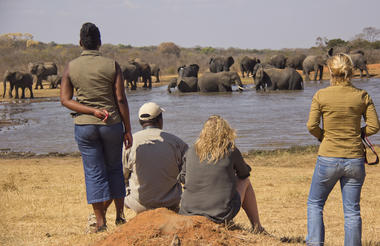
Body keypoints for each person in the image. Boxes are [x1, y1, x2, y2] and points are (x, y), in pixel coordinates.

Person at [60, 22, 133, 233]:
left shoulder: (71, 67)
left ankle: (101, 222)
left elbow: (65, 100)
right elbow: (120, 99)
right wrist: (127, 129)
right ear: (100, 42)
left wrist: (90, 111)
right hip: (111, 125)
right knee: (115, 169)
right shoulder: (112, 65)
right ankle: (120, 216)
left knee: (94, 172)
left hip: (84, 127)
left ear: (80, 42)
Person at [306, 53, 379, 245]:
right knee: (352, 211)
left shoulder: (321, 95)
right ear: (351, 71)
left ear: (330, 71)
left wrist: (324, 136)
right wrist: (358, 133)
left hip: (328, 157)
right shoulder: (362, 96)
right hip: (355, 159)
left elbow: (311, 126)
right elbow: (374, 126)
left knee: (315, 204)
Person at [178, 115, 265, 233]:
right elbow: (244, 174)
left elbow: (183, 178)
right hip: (220, 215)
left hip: (187, 212)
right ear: (226, 132)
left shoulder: (191, 150)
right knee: (245, 182)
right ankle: (257, 227)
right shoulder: (230, 150)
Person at [123, 102, 188, 213]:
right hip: (171, 204)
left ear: (140, 122)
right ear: (160, 120)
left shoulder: (129, 143)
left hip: (139, 205)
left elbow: (123, 175)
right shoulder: (177, 142)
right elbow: (187, 173)